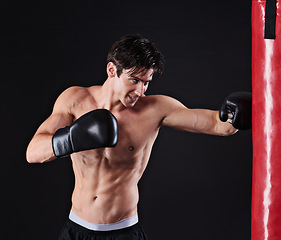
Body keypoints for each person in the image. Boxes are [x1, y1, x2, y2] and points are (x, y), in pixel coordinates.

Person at [26, 34, 252, 240]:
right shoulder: (74, 100)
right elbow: (33, 153)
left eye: (146, 82)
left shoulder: (155, 109)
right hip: (76, 230)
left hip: (124, 232)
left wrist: (235, 115)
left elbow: (218, 125)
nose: (141, 91)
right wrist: (73, 137)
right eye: (135, 80)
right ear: (112, 70)